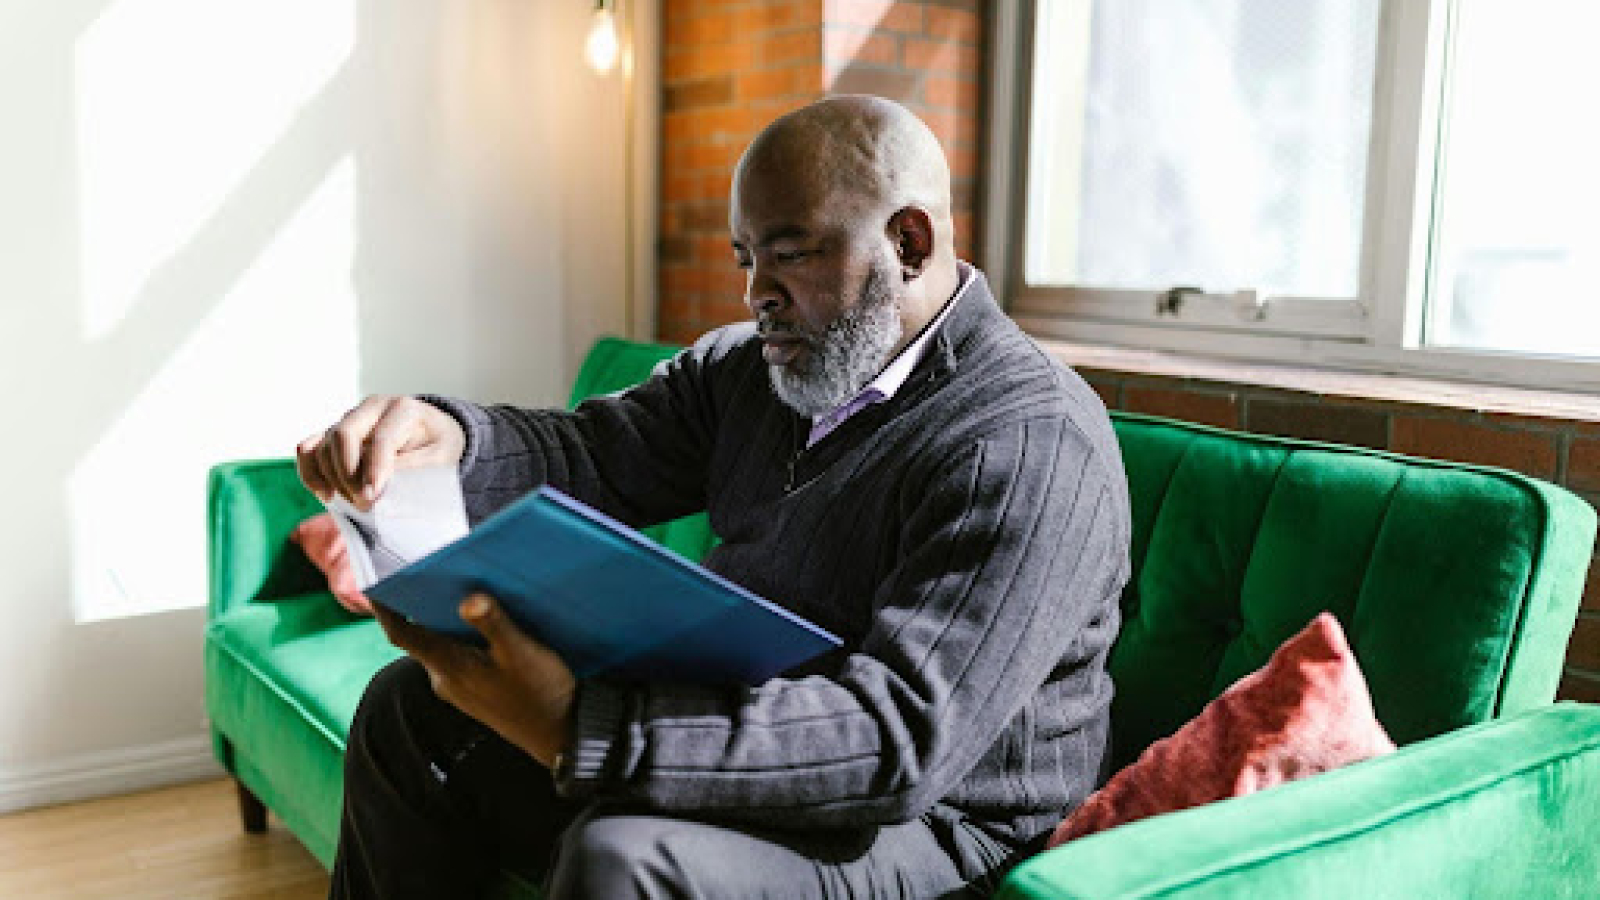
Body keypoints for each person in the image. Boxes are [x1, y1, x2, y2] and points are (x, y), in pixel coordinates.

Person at [297, 94, 1131, 899]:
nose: (756, 291)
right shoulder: (750, 373)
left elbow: (904, 736)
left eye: (791, 253)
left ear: (908, 242)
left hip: (944, 832)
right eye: (746, 259)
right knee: (407, 711)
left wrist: (588, 728)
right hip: (757, 728)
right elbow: (597, 453)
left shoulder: (1028, 440)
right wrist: (449, 439)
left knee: (626, 858)